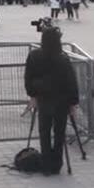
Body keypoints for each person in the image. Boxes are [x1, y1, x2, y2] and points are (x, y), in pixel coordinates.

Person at [24, 27, 79, 176]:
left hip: (43, 98)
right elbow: (71, 82)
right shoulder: (63, 58)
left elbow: (28, 77)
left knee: (44, 131)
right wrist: (73, 102)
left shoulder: (34, 56)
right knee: (59, 132)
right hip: (61, 100)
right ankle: (57, 163)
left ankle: (46, 164)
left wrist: (32, 95)